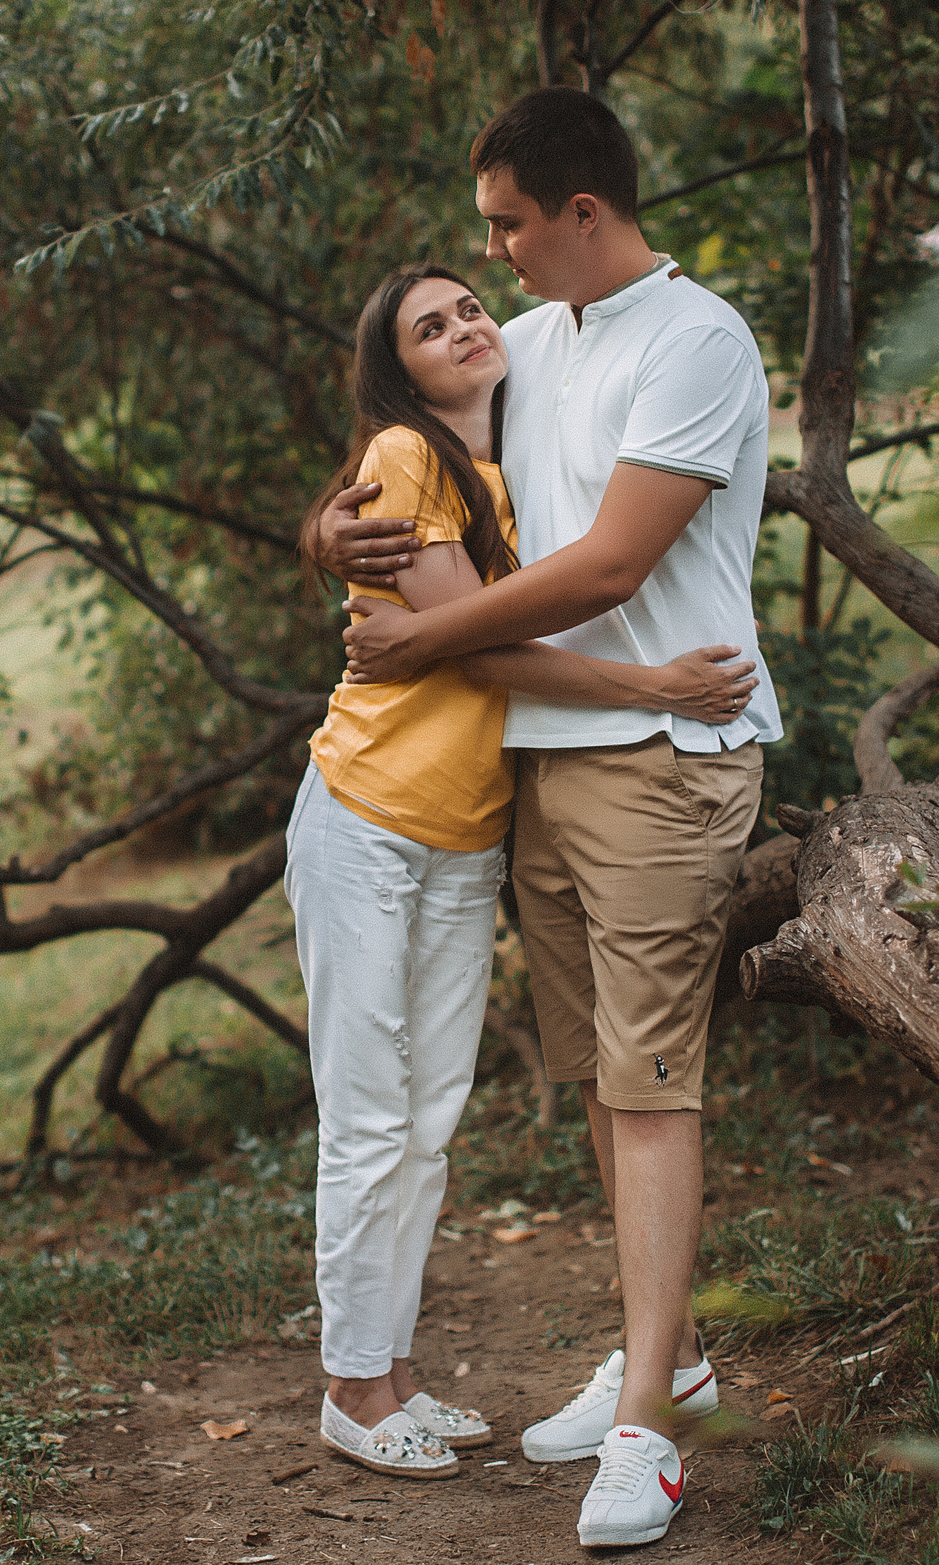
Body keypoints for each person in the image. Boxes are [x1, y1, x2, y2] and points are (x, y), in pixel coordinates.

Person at [310, 88, 782, 1548]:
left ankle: (647, 1424)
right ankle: (673, 1360)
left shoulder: (694, 340)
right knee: (600, 1076)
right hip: (546, 767)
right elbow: (404, 447)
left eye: (510, 223)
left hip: (657, 743)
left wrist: (429, 639)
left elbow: (604, 567)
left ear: (583, 210)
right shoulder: (539, 343)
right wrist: (323, 534)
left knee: (650, 1085)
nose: (495, 255)